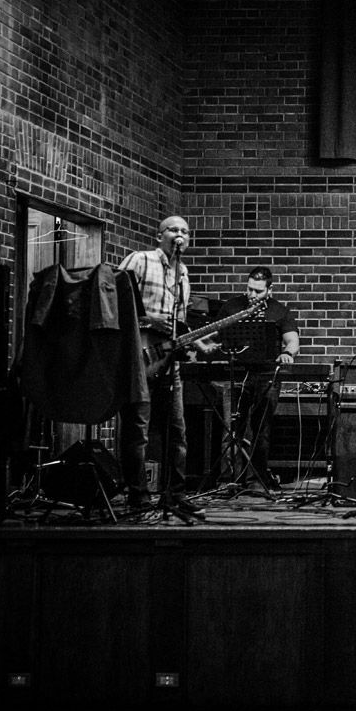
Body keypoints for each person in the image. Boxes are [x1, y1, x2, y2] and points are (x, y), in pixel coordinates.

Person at [118, 215, 215, 517]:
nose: (180, 234)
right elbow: (113, 296)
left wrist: (198, 343)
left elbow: (179, 324)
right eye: (173, 229)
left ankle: (175, 494)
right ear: (159, 234)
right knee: (138, 429)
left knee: (177, 430)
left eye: (185, 231)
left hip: (168, 362)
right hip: (140, 356)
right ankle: (138, 495)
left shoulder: (183, 274)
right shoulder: (140, 260)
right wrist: (142, 328)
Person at [215, 266, 300, 491]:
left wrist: (287, 353)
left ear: (269, 290)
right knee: (231, 429)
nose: (253, 295)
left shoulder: (279, 311)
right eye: (250, 289)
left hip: (266, 376)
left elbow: (292, 340)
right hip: (235, 375)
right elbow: (214, 336)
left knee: (261, 430)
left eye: (258, 291)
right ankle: (230, 481)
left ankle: (257, 481)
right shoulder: (231, 307)